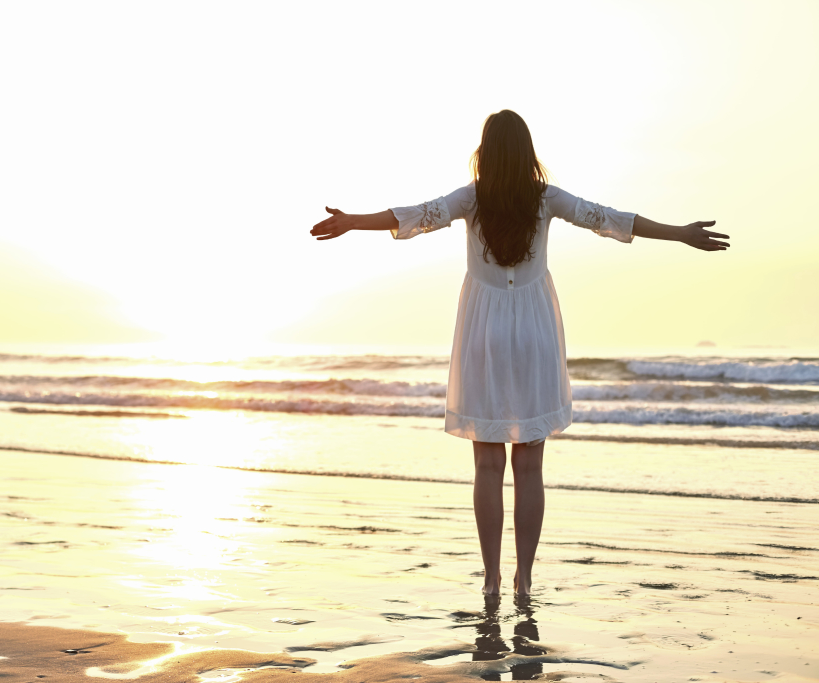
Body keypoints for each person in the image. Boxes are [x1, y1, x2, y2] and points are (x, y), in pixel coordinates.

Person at [309, 110, 729, 596]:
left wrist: (351, 222)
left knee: (487, 465)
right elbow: (610, 219)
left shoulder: (471, 198)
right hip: (534, 331)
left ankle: (490, 579)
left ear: (484, 152)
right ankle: (523, 578)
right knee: (530, 467)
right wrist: (680, 232)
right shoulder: (545, 198)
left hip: (483, 330)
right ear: (527, 152)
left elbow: (414, 215)